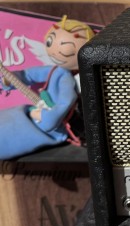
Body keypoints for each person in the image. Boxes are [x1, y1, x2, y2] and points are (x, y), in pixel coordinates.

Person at [0, 16, 94, 159]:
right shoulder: (53, 70)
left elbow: (65, 103)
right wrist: (9, 80)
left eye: (65, 46)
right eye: (50, 41)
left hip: (51, 124)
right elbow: (28, 75)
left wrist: (45, 117)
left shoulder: (66, 80)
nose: (54, 50)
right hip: (37, 111)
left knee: (11, 132)